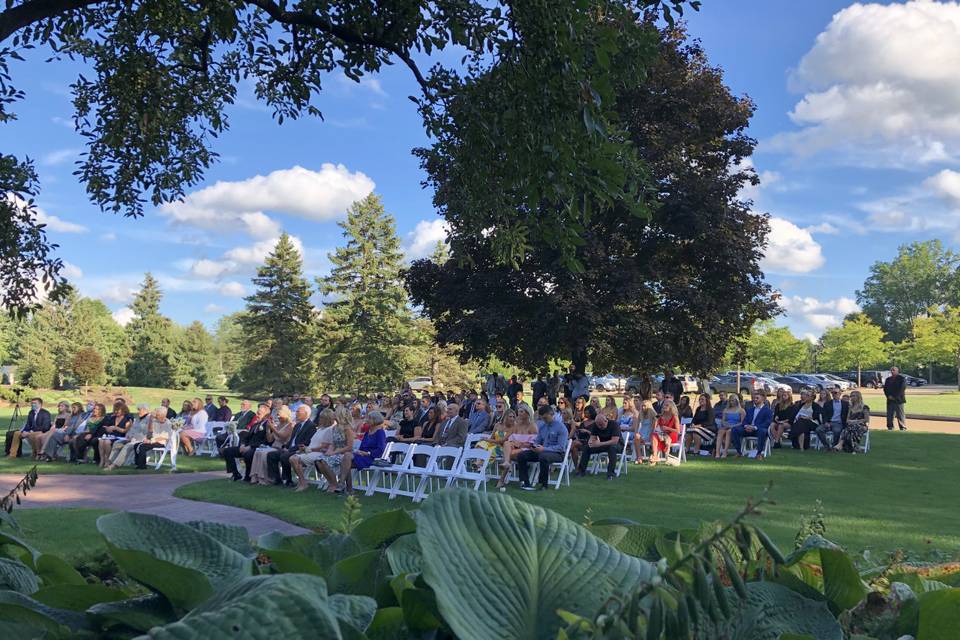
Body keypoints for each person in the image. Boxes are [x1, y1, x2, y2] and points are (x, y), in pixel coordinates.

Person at [517, 405, 568, 491]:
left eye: (546, 418)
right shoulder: (543, 426)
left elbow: (560, 447)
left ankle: (543, 484)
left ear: (552, 414)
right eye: (542, 418)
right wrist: (534, 446)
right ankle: (525, 481)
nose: (544, 420)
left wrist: (543, 449)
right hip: (542, 451)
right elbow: (538, 440)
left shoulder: (561, 428)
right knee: (522, 455)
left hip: (557, 454)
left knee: (543, 457)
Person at [265, 405, 315, 486]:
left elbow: (306, 443)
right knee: (271, 455)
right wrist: (286, 447)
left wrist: (290, 450)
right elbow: (292, 440)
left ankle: (288, 480)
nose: (296, 413)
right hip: (290, 448)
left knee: (284, 456)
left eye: (298, 412)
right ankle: (276, 479)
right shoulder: (298, 425)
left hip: (300, 450)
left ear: (306, 413)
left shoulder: (311, 426)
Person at [223, 403, 272, 481]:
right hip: (247, 446)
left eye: (259, 414)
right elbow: (247, 437)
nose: (257, 415)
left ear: (266, 415)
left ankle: (248, 476)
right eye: (257, 413)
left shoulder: (268, 425)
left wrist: (250, 447)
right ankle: (236, 474)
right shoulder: (255, 425)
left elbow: (265, 441)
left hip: (258, 447)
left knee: (248, 454)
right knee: (227, 451)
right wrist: (243, 444)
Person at [291, 409, 336, 491]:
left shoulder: (330, 429)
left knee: (294, 459)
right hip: (311, 451)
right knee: (293, 458)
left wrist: (308, 449)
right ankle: (302, 482)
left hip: (318, 453)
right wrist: (305, 448)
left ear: (327, 419)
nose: (319, 419)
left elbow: (325, 446)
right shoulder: (320, 429)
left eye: (321, 418)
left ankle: (303, 483)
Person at [575, 412, 620, 479]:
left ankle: (611, 473)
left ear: (606, 420)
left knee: (612, 448)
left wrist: (599, 444)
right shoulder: (596, 426)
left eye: (601, 425)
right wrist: (591, 443)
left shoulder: (614, 424)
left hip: (617, 445)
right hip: (603, 445)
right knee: (587, 448)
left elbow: (614, 441)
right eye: (598, 425)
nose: (600, 427)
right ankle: (581, 471)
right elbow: (592, 438)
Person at [105, 404, 151, 469]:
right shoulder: (137, 419)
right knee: (117, 443)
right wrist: (128, 436)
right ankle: (110, 462)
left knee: (127, 446)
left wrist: (133, 438)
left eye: (139, 410)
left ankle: (115, 465)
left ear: (145, 410)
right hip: (131, 439)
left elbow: (146, 433)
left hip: (140, 440)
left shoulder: (149, 419)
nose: (138, 412)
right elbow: (131, 429)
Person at [732, 393, 773, 459]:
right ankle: (739, 452)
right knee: (735, 430)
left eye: (757, 398)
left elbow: (767, 422)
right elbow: (745, 421)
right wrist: (746, 426)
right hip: (748, 429)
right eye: (754, 398)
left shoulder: (768, 410)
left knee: (762, 431)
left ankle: (759, 454)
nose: (755, 399)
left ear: (762, 399)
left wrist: (754, 427)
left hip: (758, 429)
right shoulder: (750, 410)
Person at [95, 403, 133, 468]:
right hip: (111, 435)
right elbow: (108, 428)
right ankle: (102, 460)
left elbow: (125, 430)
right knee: (101, 441)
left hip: (121, 437)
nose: (116, 411)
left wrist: (115, 428)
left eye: (118, 410)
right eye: (115, 410)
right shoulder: (113, 418)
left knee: (107, 442)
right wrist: (108, 429)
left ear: (123, 410)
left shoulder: (127, 418)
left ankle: (108, 460)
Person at [650, 399, 681, 466]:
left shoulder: (674, 417)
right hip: (661, 435)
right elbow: (654, 429)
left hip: (671, 435)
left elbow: (678, 431)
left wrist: (667, 428)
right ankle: (655, 455)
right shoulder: (660, 416)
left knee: (660, 437)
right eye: (663, 405)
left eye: (667, 405)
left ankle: (657, 456)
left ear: (671, 407)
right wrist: (655, 421)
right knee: (654, 435)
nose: (664, 406)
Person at [884, 366, 907, 431]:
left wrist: (895, 397)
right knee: (889, 415)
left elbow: (902, 388)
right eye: (891, 370)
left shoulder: (901, 379)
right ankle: (890, 427)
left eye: (893, 370)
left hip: (898, 400)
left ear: (897, 371)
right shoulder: (888, 379)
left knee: (900, 414)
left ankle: (902, 427)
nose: (892, 371)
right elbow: (885, 389)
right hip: (890, 400)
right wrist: (888, 396)